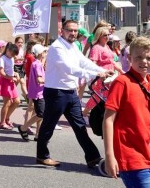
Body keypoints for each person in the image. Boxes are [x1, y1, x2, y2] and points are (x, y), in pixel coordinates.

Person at [36, 20, 112, 167]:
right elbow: (69, 68)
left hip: (70, 92)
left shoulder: (72, 46)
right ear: (62, 31)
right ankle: (42, 155)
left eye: (75, 31)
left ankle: (93, 158)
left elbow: (83, 61)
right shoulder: (57, 47)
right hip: (56, 92)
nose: (73, 33)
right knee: (48, 126)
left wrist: (100, 70)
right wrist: (96, 73)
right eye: (70, 30)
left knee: (80, 126)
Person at [103, 36, 150, 188]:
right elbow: (108, 119)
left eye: (148, 58)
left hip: (146, 151)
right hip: (130, 155)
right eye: (139, 57)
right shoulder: (122, 82)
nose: (144, 62)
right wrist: (109, 156)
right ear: (129, 59)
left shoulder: (148, 82)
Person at [82, 27, 122, 117]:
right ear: (99, 36)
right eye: (105, 35)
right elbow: (93, 63)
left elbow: (111, 61)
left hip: (110, 76)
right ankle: (84, 114)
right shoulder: (96, 48)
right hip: (102, 76)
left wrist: (120, 70)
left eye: (108, 35)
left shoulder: (107, 46)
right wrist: (95, 76)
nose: (107, 37)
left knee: (107, 95)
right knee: (97, 96)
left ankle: (107, 115)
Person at [18, 44, 47, 142]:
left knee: (39, 113)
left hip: (38, 92)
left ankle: (38, 135)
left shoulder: (37, 63)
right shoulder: (37, 64)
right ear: (40, 53)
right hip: (38, 93)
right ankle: (23, 128)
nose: (45, 53)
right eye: (44, 52)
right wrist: (49, 81)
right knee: (41, 113)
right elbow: (39, 79)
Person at [0, 42, 21, 130]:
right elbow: (2, 73)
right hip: (5, 81)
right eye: (12, 53)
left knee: (17, 101)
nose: (13, 56)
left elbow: (10, 70)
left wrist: (15, 74)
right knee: (7, 103)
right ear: (8, 50)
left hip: (10, 81)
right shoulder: (2, 58)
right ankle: (2, 122)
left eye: (14, 54)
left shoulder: (11, 58)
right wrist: (11, 77)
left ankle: (6, 118)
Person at [13, 37, 28, 101]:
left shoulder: (22, 50)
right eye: (19, 42)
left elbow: (25, 58)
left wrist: (23, 60)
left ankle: (11, 95)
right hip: (15, 67)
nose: (20, 44)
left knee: (15, 83)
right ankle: (27, 97)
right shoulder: (14, 50)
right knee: (22, 82)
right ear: (15, 42)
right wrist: (20, 58)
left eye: (21, 42)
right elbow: (13, 59)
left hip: (21, 67)